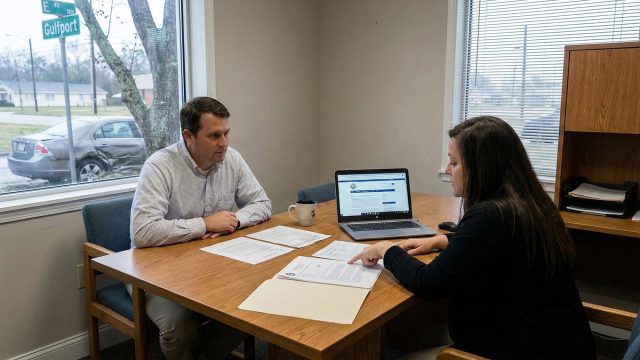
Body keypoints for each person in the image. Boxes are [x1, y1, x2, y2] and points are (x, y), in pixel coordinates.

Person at [349, 116, 596, 359]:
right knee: (423, 335)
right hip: (558, 342)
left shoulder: (489, 216)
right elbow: (503, 246)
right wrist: (444, 240)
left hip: (519, 349)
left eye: (454, 163)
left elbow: (428, 283)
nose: (447, 170)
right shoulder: (531, 204)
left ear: (482, 168)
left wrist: (386, 250)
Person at [130, 96, 272, 360]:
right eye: (214, 135)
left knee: (257, 299)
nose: (224, 143)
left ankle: (204, 355)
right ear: (188, 136)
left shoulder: (233, 159)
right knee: (180, 326)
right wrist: (205, 224)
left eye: (227, 133)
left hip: (212, 265)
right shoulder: (160, 166)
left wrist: (236, 220)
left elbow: (262, 203)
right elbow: (143, 232)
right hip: (156, 273)